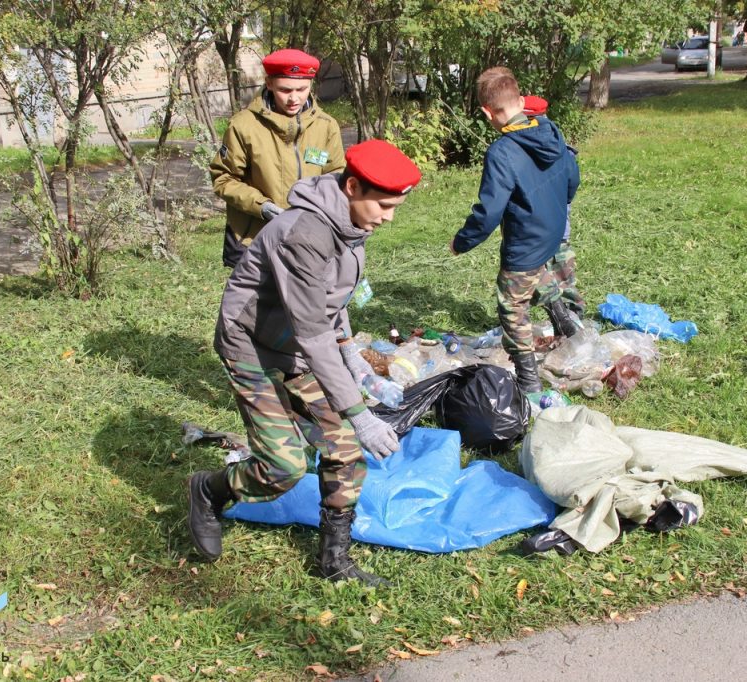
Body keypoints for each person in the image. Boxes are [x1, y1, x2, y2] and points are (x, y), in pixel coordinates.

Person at [188, 139, 422, 587]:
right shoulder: (307, 233)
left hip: (297, 342)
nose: (390, 217)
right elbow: (313, 331)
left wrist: (350, 351)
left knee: (345, 449)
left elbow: (333, 298)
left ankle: (335, 562)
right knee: (284, 466)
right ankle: (208, 489)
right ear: (353, 186)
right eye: (386, 205)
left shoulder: (352, 223)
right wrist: (359, 412)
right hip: (252, 344)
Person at [450, 69, 579, 393]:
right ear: (521, 101)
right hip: (551, 232)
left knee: (512, 306)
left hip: (524, 242)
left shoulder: (502, 152)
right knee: (536, 272)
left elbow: (489, 211)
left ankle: (528, 380)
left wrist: (462, 241)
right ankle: (562, 317)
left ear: (485, 112)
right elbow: (572, 178)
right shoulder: (551, 130)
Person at [210, 48, 345, 269]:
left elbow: (335, 177)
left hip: (308, 236)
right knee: (255, 303)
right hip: (254, 238)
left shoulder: (326, 126)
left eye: (302, 89)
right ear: (269, 83)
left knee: (302, 301)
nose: (294, 98)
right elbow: (224, 179)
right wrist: (262, 206)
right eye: (285, 90)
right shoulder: (243, 126)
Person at [522, 95, 585, 317]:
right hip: (558, 228)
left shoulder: (518, 149)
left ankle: (562, 318)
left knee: (529, 276)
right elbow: (572, 183)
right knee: (563, 274)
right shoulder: (561, 149)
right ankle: (570, 317)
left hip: (531, 232)